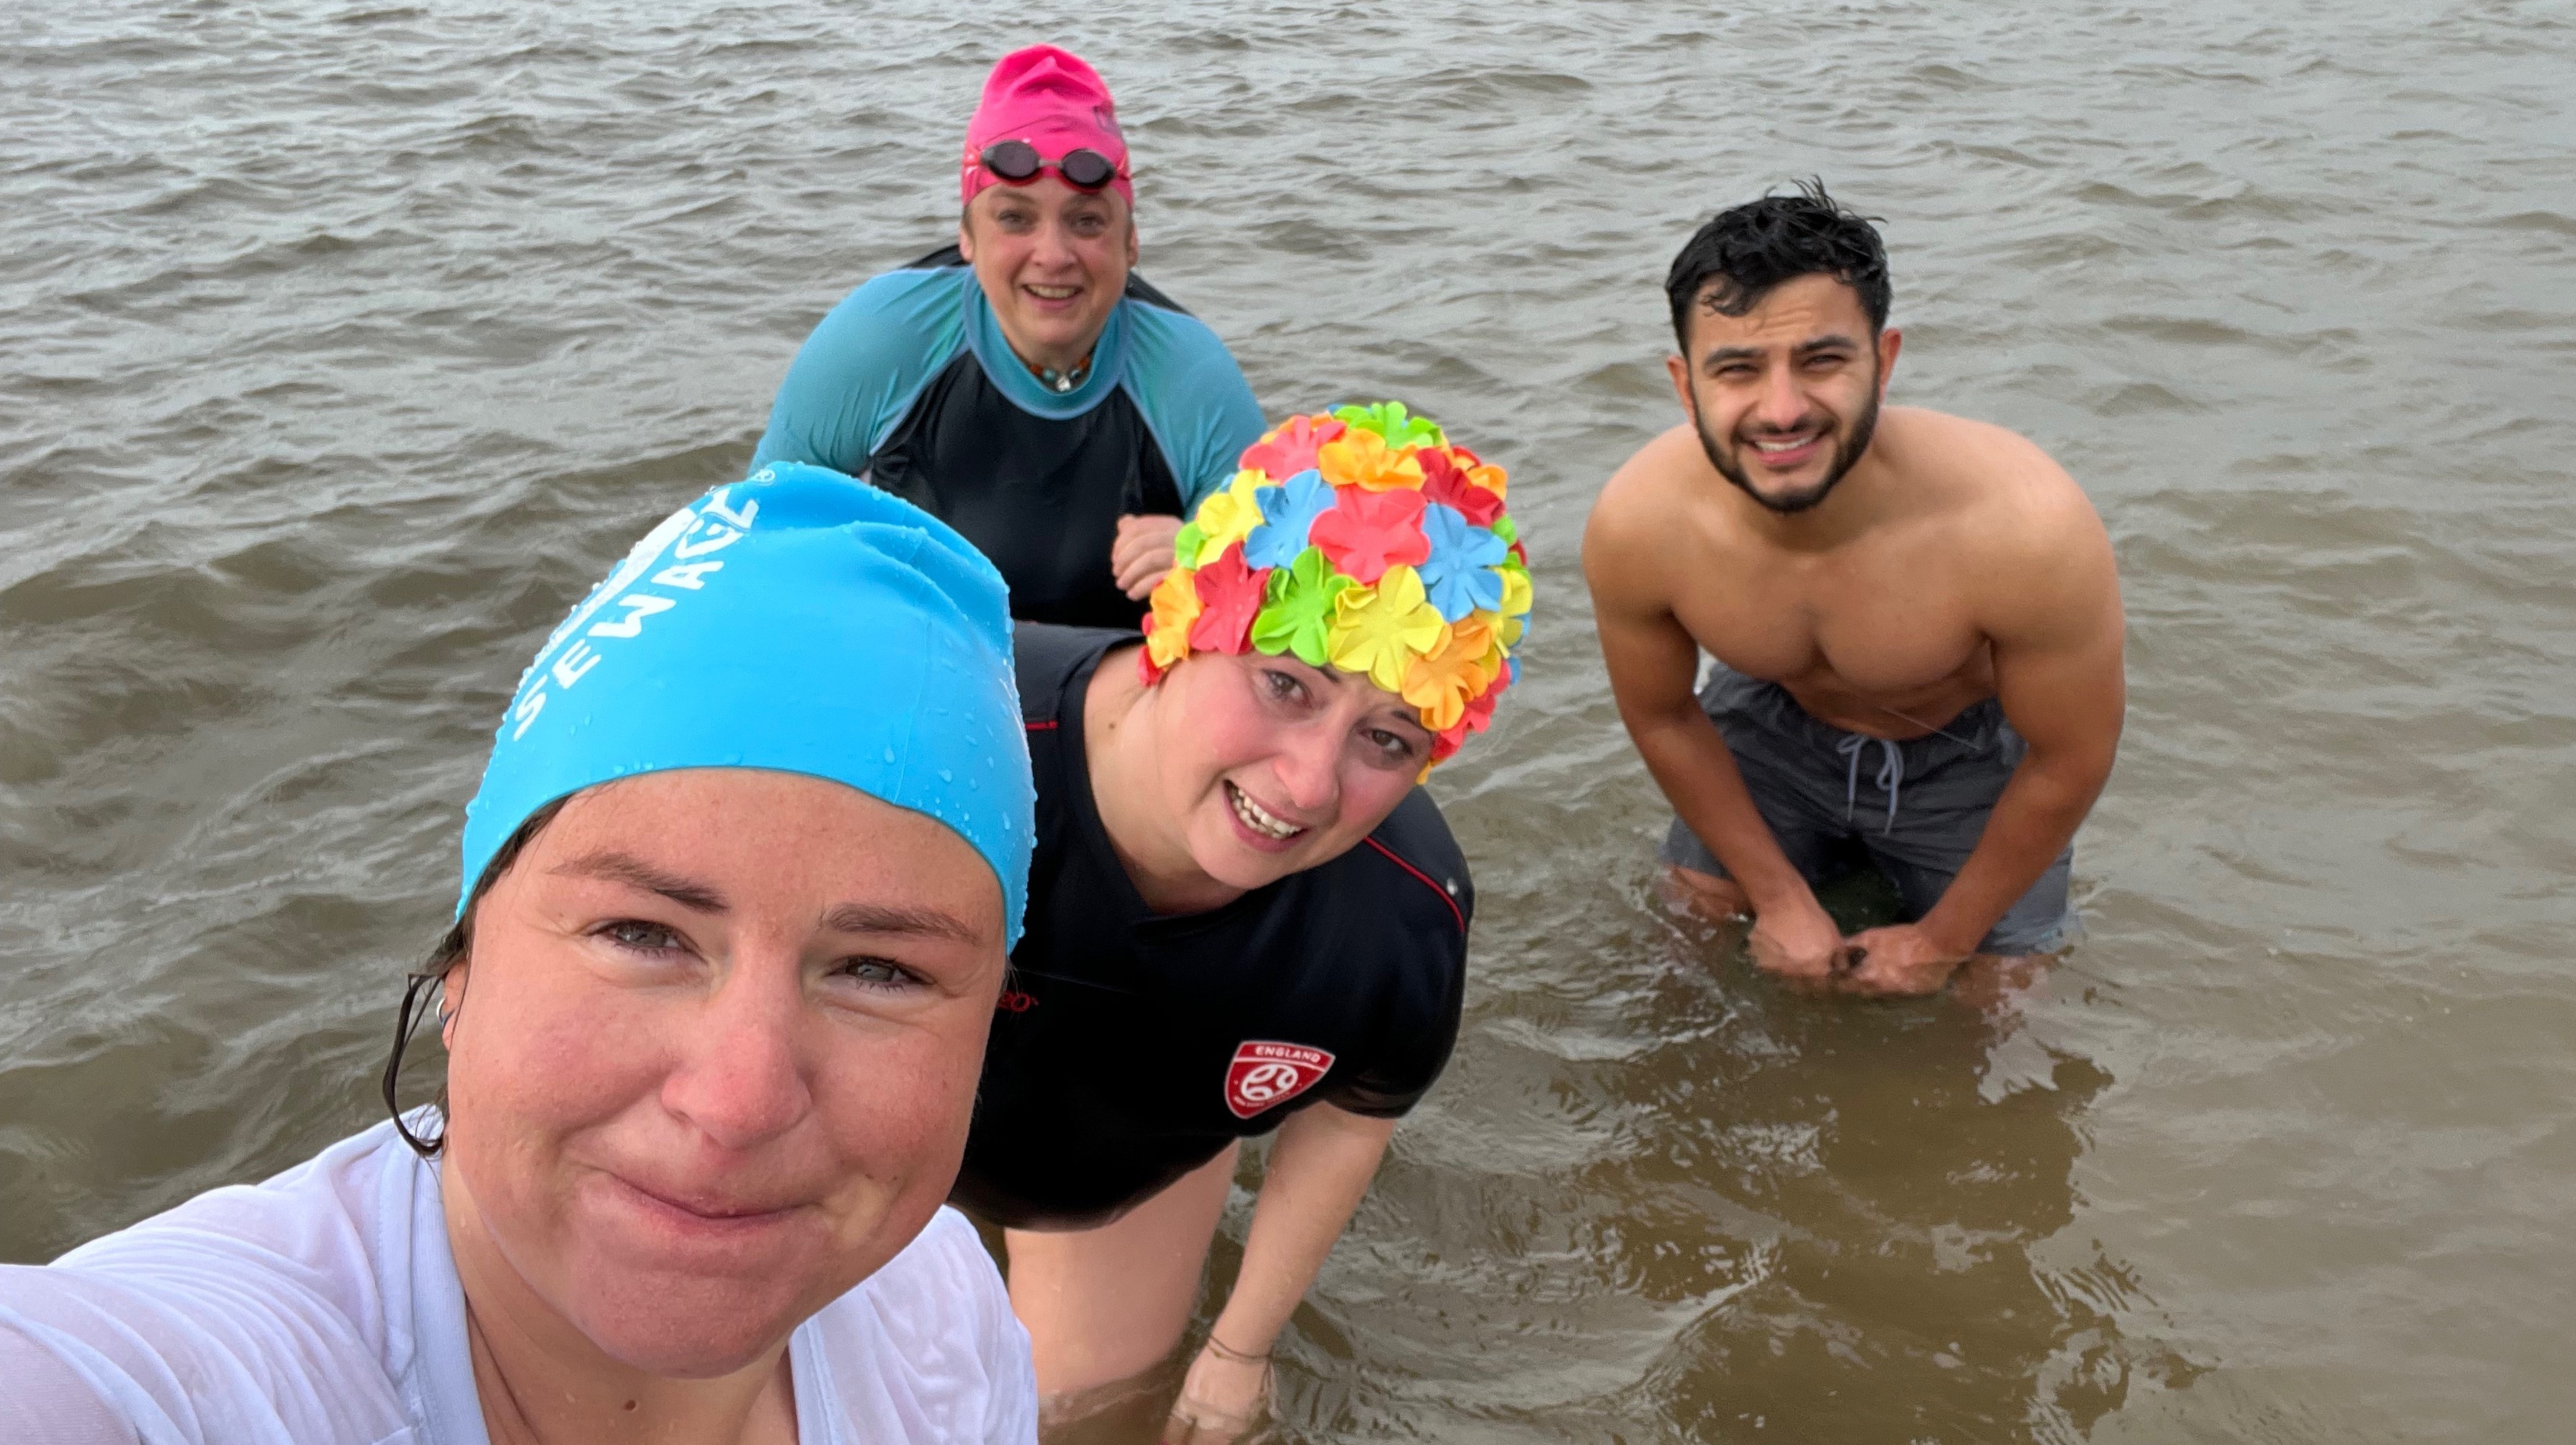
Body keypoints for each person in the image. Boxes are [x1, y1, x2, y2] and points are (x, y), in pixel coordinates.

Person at [0, 467, 1043, 1444]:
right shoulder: (221, 1374)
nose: (738, 1102)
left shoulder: (942, 1308)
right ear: (459, 969)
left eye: (880, 970)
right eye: (642, 934)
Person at [957, 404, 1530, 1440]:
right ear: (1185, 626)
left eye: (1390, 740)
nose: (1309, 783)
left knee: (1066, 1417)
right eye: (1284, 684)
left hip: (1120, 1176)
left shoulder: (1402, 916)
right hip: (884, 1121)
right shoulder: (961, 716)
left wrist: (1239, 1349)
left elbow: (1356, 1110)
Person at [1583, 182, 2124, 1005]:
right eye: (1737, 370)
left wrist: (1943, 942)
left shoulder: (2023, 524)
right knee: (1683, 934)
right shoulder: (1640, 520)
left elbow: (2070, 756)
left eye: (1822, 360)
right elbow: (1663, 715)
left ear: (1886, 359)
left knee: (2006, 999)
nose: (1783, 409)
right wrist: (1778, 898)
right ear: (1685, 385)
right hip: (1770, 728)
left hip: (1968, 754)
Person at [751, 44, 1266, 629]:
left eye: (1087, 221)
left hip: (1109, 699)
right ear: (967, 234)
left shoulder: (1191, 377)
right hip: (922, 673)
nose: (1053, 256)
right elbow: (760, 533)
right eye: (1015, 218)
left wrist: (1208, 562)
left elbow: (1277, 604)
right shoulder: (883, 337)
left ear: (1131, 243)